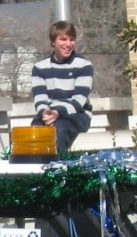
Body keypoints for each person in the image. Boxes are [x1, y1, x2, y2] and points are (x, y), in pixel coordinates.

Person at [30, 21, 93, 154]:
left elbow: (79, 100)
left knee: (59, 130)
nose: (68, 44)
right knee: (33, 132)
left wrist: (58, 112)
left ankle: (60, 168)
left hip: (76, 115)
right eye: (63, 39)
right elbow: (40, 98)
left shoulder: (84, 66)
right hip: (49, 114)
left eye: (72, 39)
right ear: (53, 42)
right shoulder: (39, 68)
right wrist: (45, 113)